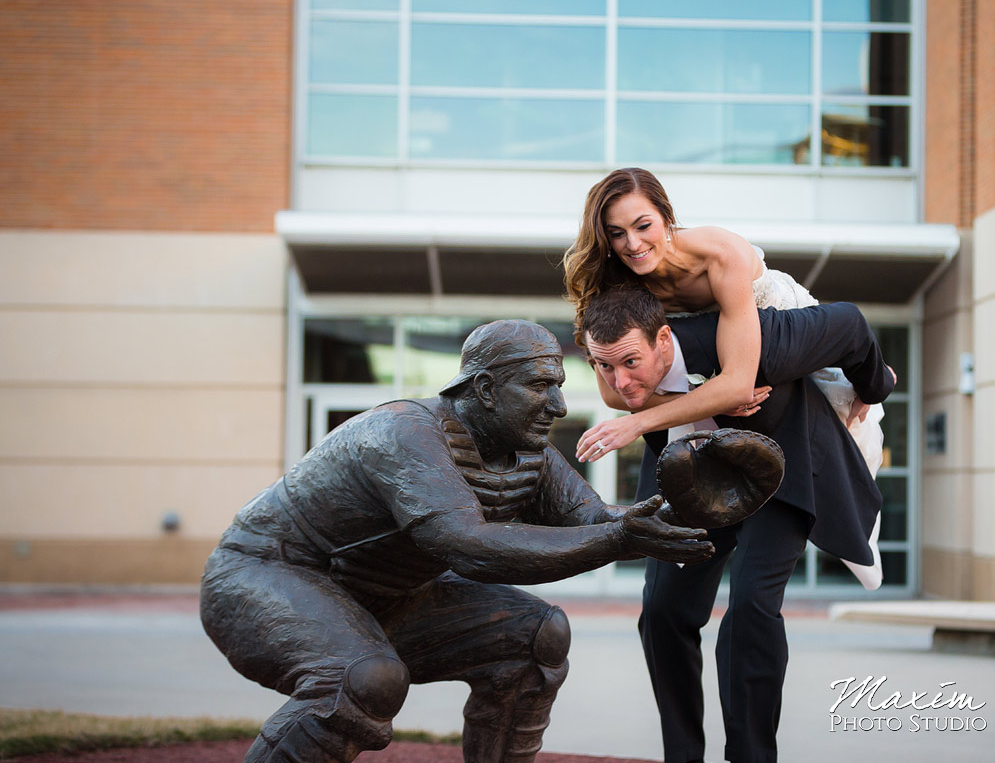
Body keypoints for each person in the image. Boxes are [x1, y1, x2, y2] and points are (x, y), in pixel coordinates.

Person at [199, 319, 715, 763]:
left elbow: (598, 521)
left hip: (387, 595)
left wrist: (702, 500)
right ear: (486, 390)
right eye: (540, 386)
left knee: (537, 637)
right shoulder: (404, 431)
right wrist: (615, 537)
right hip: (265, 573)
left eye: (558, 385)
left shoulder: (525, 451)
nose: (558, 405)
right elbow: (466, 545)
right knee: (364, 679)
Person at [580, 286, 895, 763]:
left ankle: (751, 755)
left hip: (780, 476)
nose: (620, 382)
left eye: (629, 362)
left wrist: (872, 388)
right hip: (693, 480)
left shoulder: (748, 336)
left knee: (750, 608)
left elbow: (849, 322)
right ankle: (682, 754)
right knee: (663, 612)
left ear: (664, 340)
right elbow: (627, 390)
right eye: (605, 366)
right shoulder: (621, 377)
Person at [562, 166, 886, 588]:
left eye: (643, 226)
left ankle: (864, 509)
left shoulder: (718, 252)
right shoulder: (616, 286)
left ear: (666, 217)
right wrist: (705, 395)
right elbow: (615, 396)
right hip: (722, 346)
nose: (633, 244)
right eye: (617, 233)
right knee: (816, 420)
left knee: (853, 411)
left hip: (782, 323)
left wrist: (640, 422)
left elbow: (737, 384)